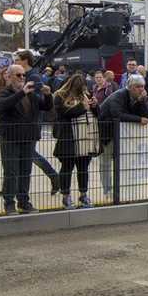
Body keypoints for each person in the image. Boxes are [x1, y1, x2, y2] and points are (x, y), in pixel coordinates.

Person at [0, 64, 52, 215]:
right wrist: (22, 92)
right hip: (11, 138)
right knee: (11, 172)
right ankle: (9, 203)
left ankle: (24, 201)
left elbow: (45, 107)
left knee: (25, 171)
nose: (22, 78)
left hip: (28, 137)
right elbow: (3, 105)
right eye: (18, 75)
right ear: (9, 76)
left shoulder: (31, 94)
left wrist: (47, 95)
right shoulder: (5, 92)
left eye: (23, 75)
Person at [14, 50, 61, 193]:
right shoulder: (25, 75)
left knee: (29, 153)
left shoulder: (33, 76)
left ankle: (53, 176)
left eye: (17, 59)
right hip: (21, 121)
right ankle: (9, 186)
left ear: (25, 60)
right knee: (17, 154)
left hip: (30, 121)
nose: (15, 62)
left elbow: (38, 99)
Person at [97, 74, 148, 196]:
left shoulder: (137, 97)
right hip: (106, 133)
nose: (141, 89)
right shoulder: (119, 95)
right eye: (138, 87)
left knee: (124, 160)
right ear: (131, 87)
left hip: (122, 134)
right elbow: (117, 114)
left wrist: (142, 101)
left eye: (143, 86)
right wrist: (138, 119)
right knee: (105, 162)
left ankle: (124, 187)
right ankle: (108, 190)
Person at [52, 74, 98, 209]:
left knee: (83, 169)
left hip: (86, 138)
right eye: (79, 88)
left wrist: (95, 106)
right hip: (68, 138)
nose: (82, 91)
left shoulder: (86, 95)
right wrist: (82, 107)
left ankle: (83, 194)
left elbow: (96, 114)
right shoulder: (60, 96)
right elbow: (64, 113)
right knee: (67, 168)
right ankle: (66, 196)